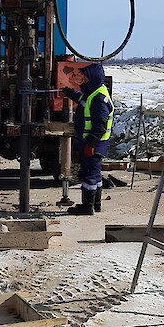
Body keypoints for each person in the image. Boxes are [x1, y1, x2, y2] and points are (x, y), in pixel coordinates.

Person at [62, 62, 114, 215]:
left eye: (84, 78)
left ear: (93, 78)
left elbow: (100, 124)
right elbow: (83, 100)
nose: (81, 80)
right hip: (94, 143)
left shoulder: (98, 99)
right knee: (95, 173)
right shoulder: (94, 93)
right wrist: (69, 92)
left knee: (89, 173)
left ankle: (87, 207)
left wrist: (91, 143)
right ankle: (95, 204)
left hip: (94, 143)